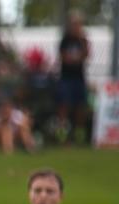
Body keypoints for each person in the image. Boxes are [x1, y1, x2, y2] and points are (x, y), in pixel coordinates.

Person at [57, 11, 90, 144]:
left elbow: (86, 55)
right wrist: (75, 59)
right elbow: (64, 58)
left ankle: (79, 135)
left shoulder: (82, 40)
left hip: (79, 78)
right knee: (64, 106)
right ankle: (62, 136)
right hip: (66, 78)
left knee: (80, 107)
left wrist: (82, 41)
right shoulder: (65, 40)